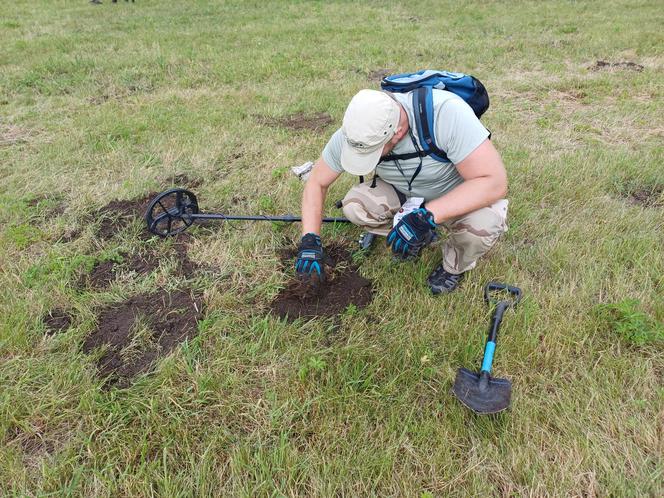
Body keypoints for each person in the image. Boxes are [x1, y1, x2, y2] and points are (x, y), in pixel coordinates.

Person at [295, 88, 508, 294]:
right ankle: (414, 236)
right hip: (405, 192)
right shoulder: (360, 129)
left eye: (373, 152)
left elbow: (494, 182)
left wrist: (428, 215)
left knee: (481, 228)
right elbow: (316, 182)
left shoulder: (446, 114)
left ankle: (453, 266)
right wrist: (310, 240)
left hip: (457, 194)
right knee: (355, 207)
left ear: (397, 133)